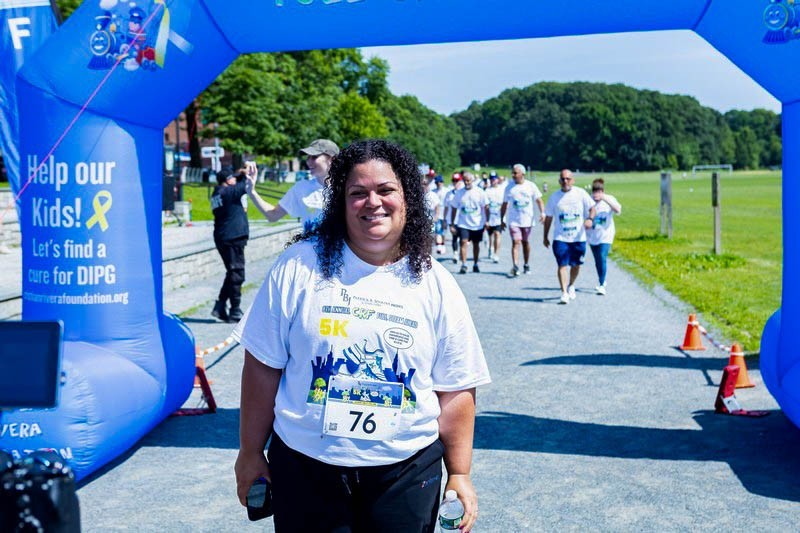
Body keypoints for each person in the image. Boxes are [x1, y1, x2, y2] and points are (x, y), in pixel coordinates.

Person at [233, 140, 490, 533]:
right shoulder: (298, 267)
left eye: (386, 190)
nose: (373, 202)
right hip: (305, 466)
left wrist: (460, 473)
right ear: (340, 201)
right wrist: (250, 451)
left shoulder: (436, 283)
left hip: (405, 473)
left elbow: (456, 387)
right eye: (358, 192)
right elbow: (262, 366)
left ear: (408, 198)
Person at [246, 139, 340, 230]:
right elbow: (273, 216)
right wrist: (251, 192)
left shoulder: (345, 189)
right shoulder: (301, 188)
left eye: (314, 157)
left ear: (332, 160)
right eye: (308, 157)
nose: (308, 162)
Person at [543, 169, 596, 305]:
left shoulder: (580, 193)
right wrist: (545, 236)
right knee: (562, 265)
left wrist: (590, 219)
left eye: (568, 179)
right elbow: (548, 217)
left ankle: (571, 285)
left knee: (576, 265)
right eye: (563, 179)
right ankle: (564, 293)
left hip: (578, 238)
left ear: (573, 180)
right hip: (560, 237)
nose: (565, 181)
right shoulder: (554, 197)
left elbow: (592, 208)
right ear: (559, 181)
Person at [210, 167, 249, 322]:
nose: (235, 179)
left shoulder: (218, 192)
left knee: (232, 272)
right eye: (232, 178)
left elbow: (237, 183)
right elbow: (245, 185)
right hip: (232, 237)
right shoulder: (228, 193)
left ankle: (220, 306)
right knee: (237, 273)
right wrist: (246, 174)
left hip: (225, 236)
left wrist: (239, 174)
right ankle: (235, 309)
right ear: (227, 181)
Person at [501, 164, 545, 277]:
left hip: (527, 220)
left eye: (515, 173)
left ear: (523, 174)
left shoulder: (530, 186)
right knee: (516, 242)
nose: (513, 175)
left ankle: (526, 264)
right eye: (513, 173)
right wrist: (502, 218)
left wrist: (542, 213)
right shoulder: (509, 187)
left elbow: (539, 200)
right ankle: (515, 266)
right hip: (514, 221)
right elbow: (504, 204)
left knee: (525, 242)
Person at [587, 178, 622, 295]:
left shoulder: (609, 199)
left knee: (602, 257)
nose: (596, 194)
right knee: (597, 260)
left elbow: (618, 210)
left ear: (602, 191)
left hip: (606, 235)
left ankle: (602, 285)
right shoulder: (588, 200)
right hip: (592, 235)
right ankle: (601, 279)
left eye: (599, 191)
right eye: (594, 191)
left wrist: (605, 198)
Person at [449, 172, 489, 274]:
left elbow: (486, 206)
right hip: (463, 223)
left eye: (468, 180)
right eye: (465, 180)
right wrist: (452, 223)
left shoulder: (480, 192)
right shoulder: (459, 193)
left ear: (472, 180)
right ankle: (464, 264)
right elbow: (454, 208)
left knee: (476, 244)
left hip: (477, 224)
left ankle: (475, 263)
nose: (466, 182)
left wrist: (487, 221)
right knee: (463, 242)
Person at [443, 172, 464, 264]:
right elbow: (446, 207)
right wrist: (444, 219)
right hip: (452, 219)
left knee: (463, 238)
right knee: (455, 237)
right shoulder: (449, 194)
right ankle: (455, 253)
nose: (455, 182)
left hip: (463, 219)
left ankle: (462, 253)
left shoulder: (464, 193)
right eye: (454, 180)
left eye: (457, 180)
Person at [485, 172, 505, 263]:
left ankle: (496, 254)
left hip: (499, 217)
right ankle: (490, 247)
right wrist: (486, 219)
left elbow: (505, 203)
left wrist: (503, 215)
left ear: (497, 179)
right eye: (491, 179)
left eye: (495, 179)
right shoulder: (487, 191)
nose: (493, 180)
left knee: (497, 234)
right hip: (490, 216)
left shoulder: (502, 190)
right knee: (490, 235)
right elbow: (485, 205)